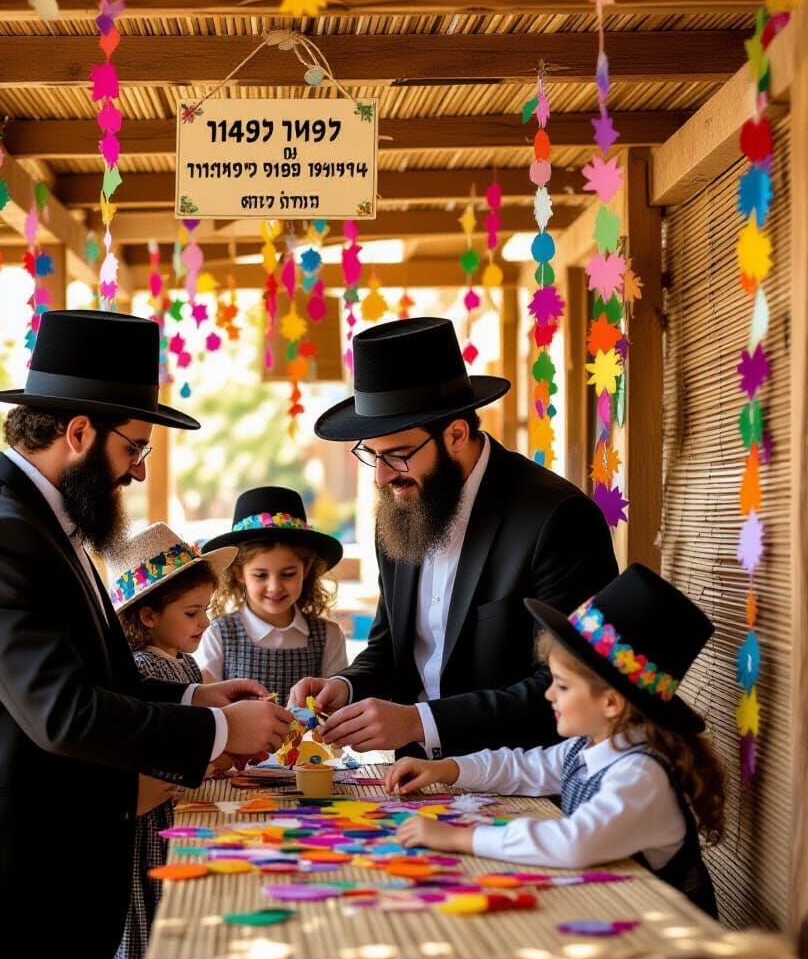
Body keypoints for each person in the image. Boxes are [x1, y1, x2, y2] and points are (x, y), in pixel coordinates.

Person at [0, 311, 293, 959]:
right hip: (2, 883)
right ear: (77, 433)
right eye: (133, 447)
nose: (137, 470)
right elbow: (63, 711)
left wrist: (196, 699)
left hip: (37, 876)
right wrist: (221, 733)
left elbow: (88, 673)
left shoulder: (36, 521)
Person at [291, 316, 619, 760]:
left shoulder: (557, 518)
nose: (382, 477)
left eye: (397, 456)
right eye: (373, 457)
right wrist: (347, 685)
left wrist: (420, 721)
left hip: (524, 778)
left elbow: (572, 683)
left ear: (456, 435)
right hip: (412, 774)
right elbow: (390, 647)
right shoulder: (402, 505)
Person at [386, 564, 724, 917]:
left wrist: (459, 838)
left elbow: (574, 842)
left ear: (611, 702)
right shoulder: (592, 747)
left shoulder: (639, 775)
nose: (548, 694)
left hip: (668, 946)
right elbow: (523, 766)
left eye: (562, 685)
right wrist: (446, 768)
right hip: (615, 917)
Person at [101, 523, 237, 959]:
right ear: (148, 614)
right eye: (192, 612)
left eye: (207, 608)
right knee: (138, 950)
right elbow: (158, 753)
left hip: (170, 820)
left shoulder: (185, 667)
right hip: (147, 830)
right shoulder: (146, 670)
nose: (205, 621)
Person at [196, 486, 348, 703]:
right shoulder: (219, 635)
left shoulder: (329, 636)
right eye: (260, 575)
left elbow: (336, 705)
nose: (275, 587)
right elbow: (208, 706)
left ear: (305, 570)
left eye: (288, 574)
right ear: (239, 573)